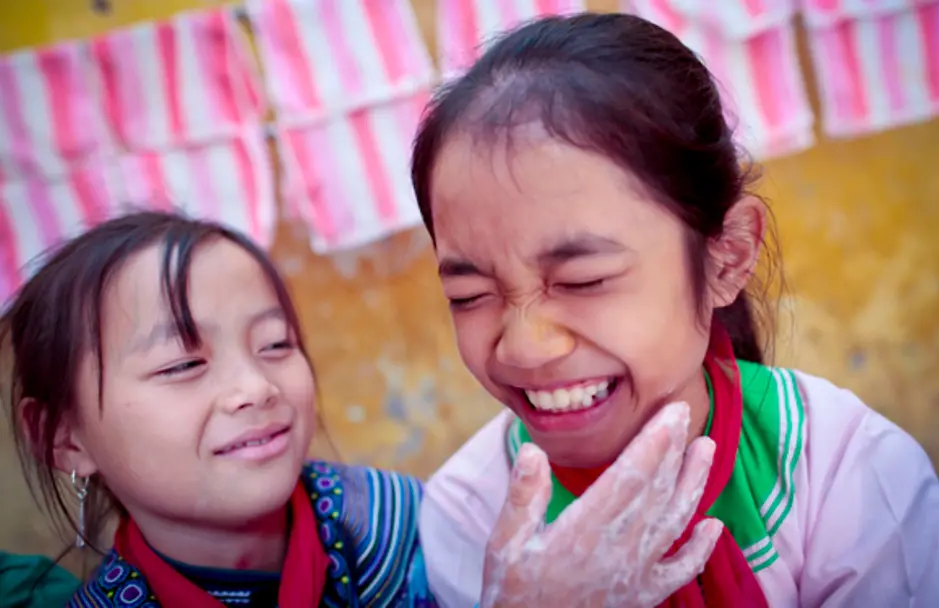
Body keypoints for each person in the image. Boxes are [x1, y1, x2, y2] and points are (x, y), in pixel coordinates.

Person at [411, 12, 939, 607]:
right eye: (470, 296)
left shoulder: (847, 476)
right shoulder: (469, 515)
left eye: (582, 281)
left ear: (726, 258)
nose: (523, 346)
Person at [1, 210, 719, 608]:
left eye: (276, 345)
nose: (255, 386)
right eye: (183, 364)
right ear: (63, 437)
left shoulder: (409, 527)